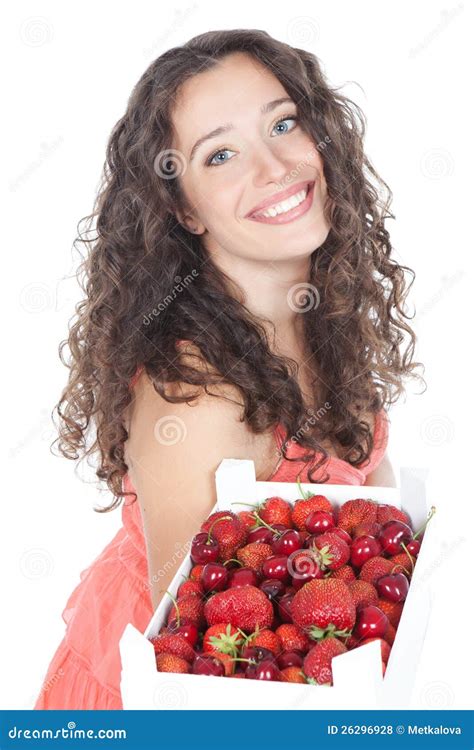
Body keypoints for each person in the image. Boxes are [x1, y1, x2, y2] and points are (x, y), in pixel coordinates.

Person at [34, 28, 424, 710]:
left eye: (284, 123)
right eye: (220, 154)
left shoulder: (323, 320)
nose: (274, 167)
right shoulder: (198, 399)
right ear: (182, 207)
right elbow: (200, 672)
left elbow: (370, 509)